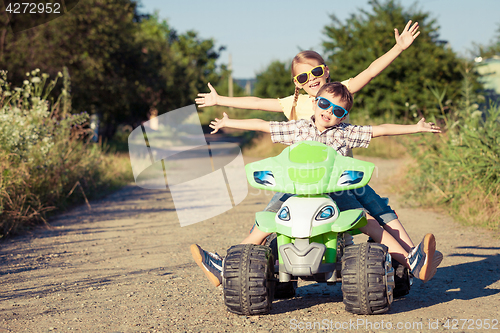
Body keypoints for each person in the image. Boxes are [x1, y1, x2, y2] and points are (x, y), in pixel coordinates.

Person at [192, 21, 424, 282]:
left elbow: (370, 75)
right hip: (298, 182)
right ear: (298, 84)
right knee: (267, 221)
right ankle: (231, 268)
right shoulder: (296, 114)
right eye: (303, 77)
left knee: (370, 215)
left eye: (315, 73)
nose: (311, 80)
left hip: (336, 182)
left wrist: (398, 49)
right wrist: (220, 103)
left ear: (326, 72)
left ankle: (410, 258)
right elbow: (259, 112)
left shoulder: (339, 98)